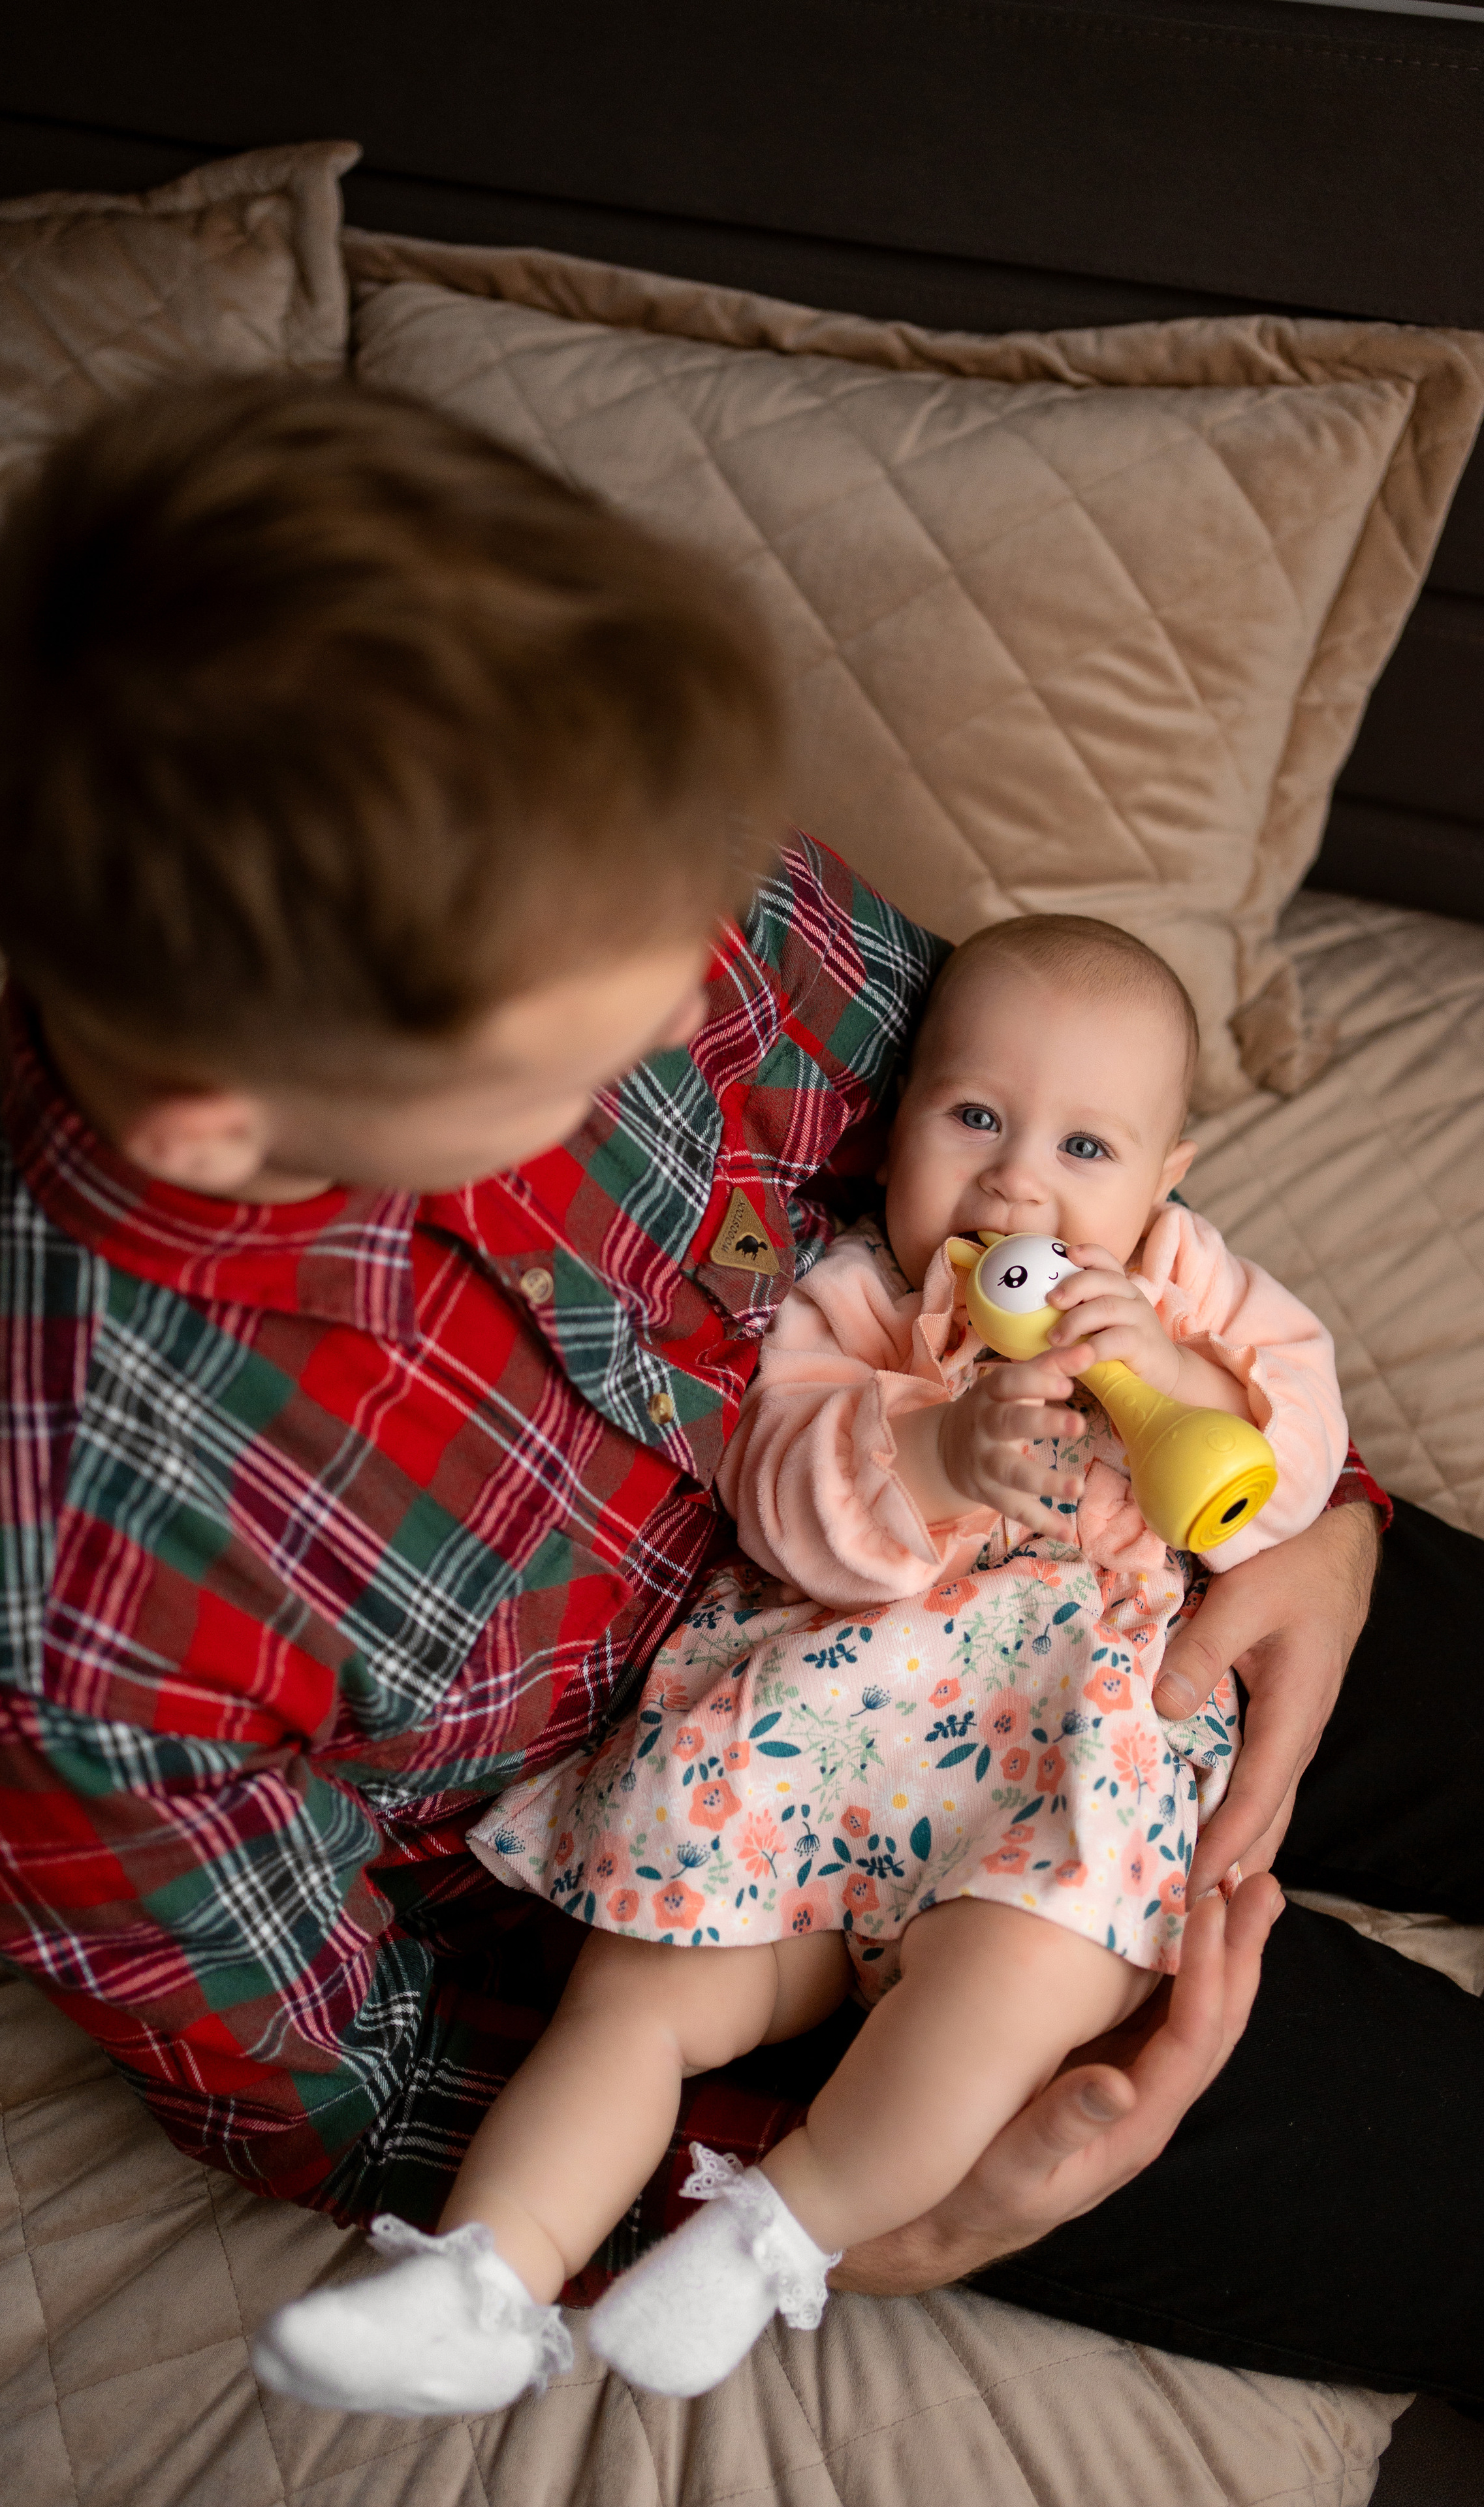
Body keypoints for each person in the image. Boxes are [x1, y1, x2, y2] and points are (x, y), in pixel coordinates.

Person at [0, 376, 1484, 2503]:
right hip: (779, 1886)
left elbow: (1026, 1130)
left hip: (1108, 1540)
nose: (691, 1010)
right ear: (230, 1124)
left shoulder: (577, 815)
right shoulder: (51, 1609)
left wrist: (1331, 1517)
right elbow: (356, 2081)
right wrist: (881, 2206)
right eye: (594, 1026)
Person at [251, 910, 1347, 2414]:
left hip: (1048, 1749)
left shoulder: (1185, 1289)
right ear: (896, 1137)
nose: (1018, 1180)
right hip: (814, 1737)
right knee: (632, 1995)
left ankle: (777, 2236)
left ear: (1166, 1182)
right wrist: (938, 1447)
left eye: (1086, 1150)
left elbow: (1288, 1469)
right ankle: (479, 2278)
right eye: (973, 1118)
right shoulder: (850, 1298)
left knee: (1014, 1992)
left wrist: (1172, 1374)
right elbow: (782, 1495)